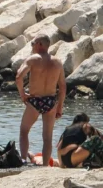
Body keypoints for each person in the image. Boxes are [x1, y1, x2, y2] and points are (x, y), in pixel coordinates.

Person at [16, 35, 66, 166]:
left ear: (39, 44)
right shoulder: (58, 62)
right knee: (47, 137)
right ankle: (44, 166)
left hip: (35, 100)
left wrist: (23, 94)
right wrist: (60, 107)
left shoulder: (33, 59)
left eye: (32, 44)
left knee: (24, 131)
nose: (32, 47)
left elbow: (19, 77)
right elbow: (62, 87)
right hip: (50, 101)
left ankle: (23, 160)